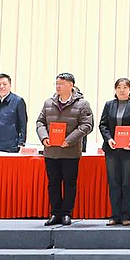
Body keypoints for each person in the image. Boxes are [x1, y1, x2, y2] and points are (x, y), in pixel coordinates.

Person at [36, 73, 93, 226]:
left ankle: (67, 213)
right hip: (51, 151)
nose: (58, 86)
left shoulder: (82, 104)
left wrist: (69, 140)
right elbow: (40, 122)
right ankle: (55, 213)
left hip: (70, 152)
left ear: (71, 85)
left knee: (69, 183)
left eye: (61, 83)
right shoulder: (48, 103)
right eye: (56, 83)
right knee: (53, 183)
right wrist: (44, 137)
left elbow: (87, 125)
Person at [99, 78, 130, 226]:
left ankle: (127, 215)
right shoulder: (109, 105)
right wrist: (109, 139)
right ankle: (115, 215)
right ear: (115, 89)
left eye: (125, 87)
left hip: (129, 150)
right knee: (114, 182)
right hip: (112, 149)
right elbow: (103, 125)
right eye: (119, 87)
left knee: (127, 183)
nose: (122, 90)